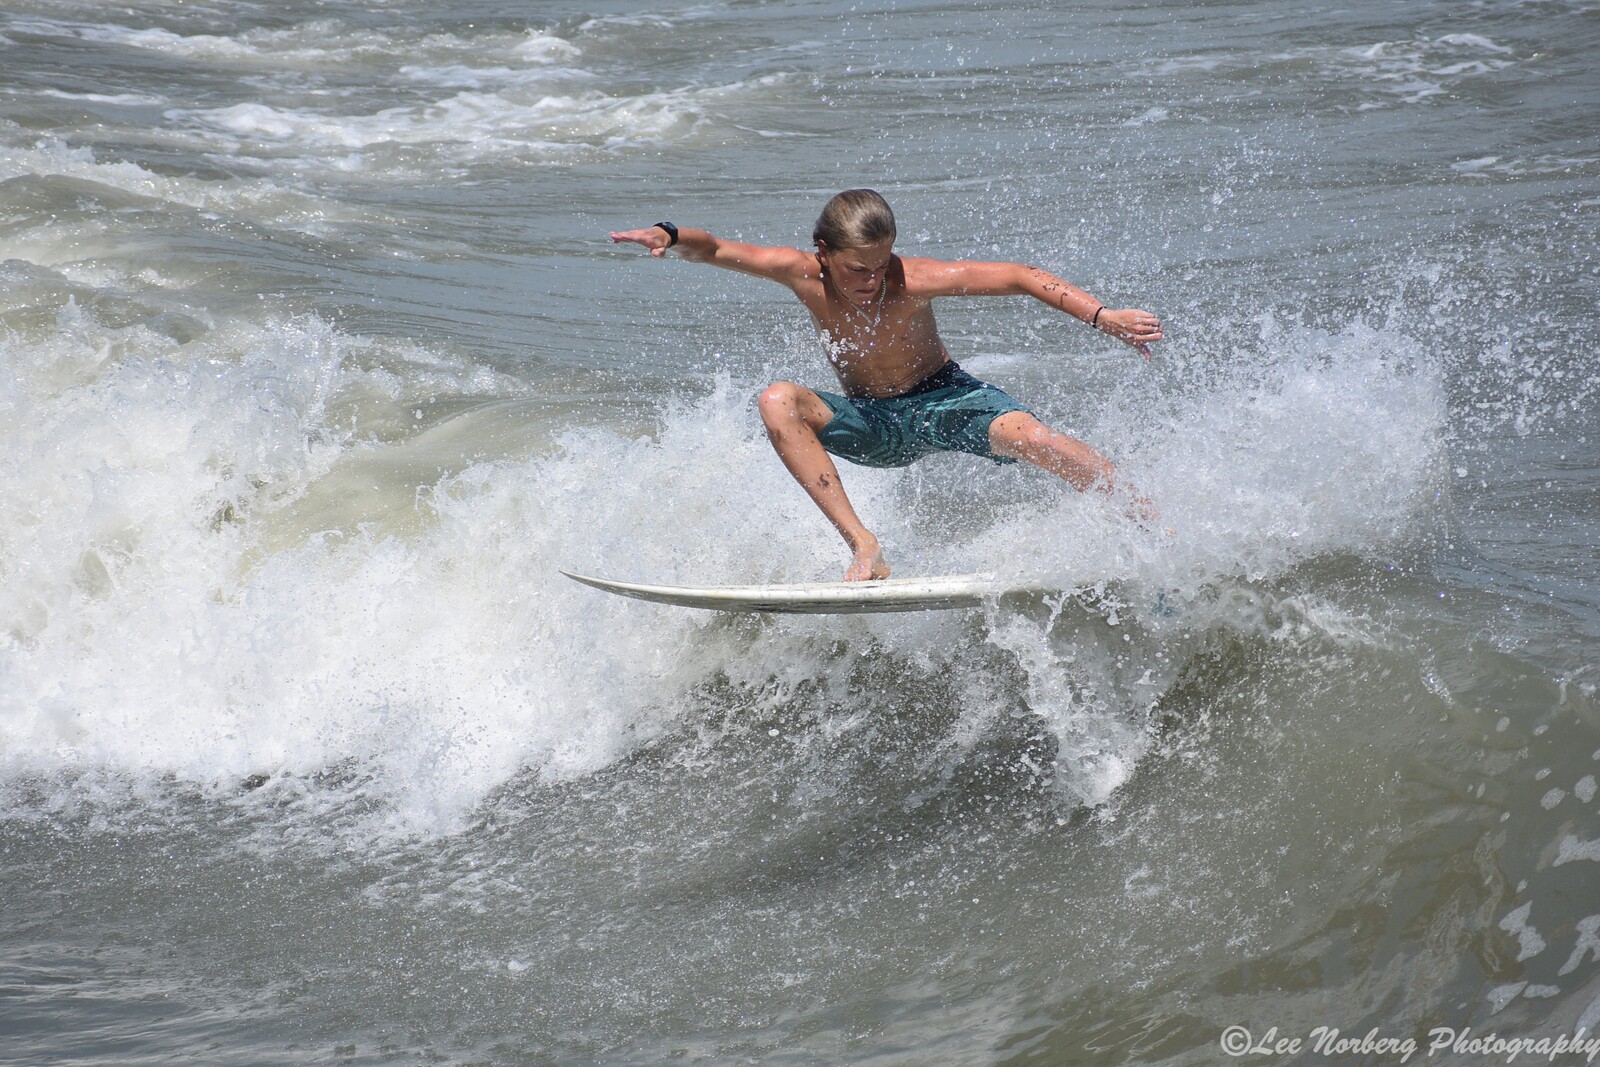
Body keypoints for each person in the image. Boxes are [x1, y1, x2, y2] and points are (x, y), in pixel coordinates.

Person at [610, 189, 1163, 582]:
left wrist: (1103, 316)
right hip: (872, 423)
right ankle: (864, 547)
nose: (872, 281)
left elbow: (1019, 275)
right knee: (775, 399)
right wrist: (671, 234)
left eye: (880, 265)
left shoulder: (913, 278)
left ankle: (1148, 524)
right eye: (857, 270)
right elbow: (713, 248)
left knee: (1039, 441)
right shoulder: (798, 271)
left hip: (949, 401)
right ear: (823, 254)